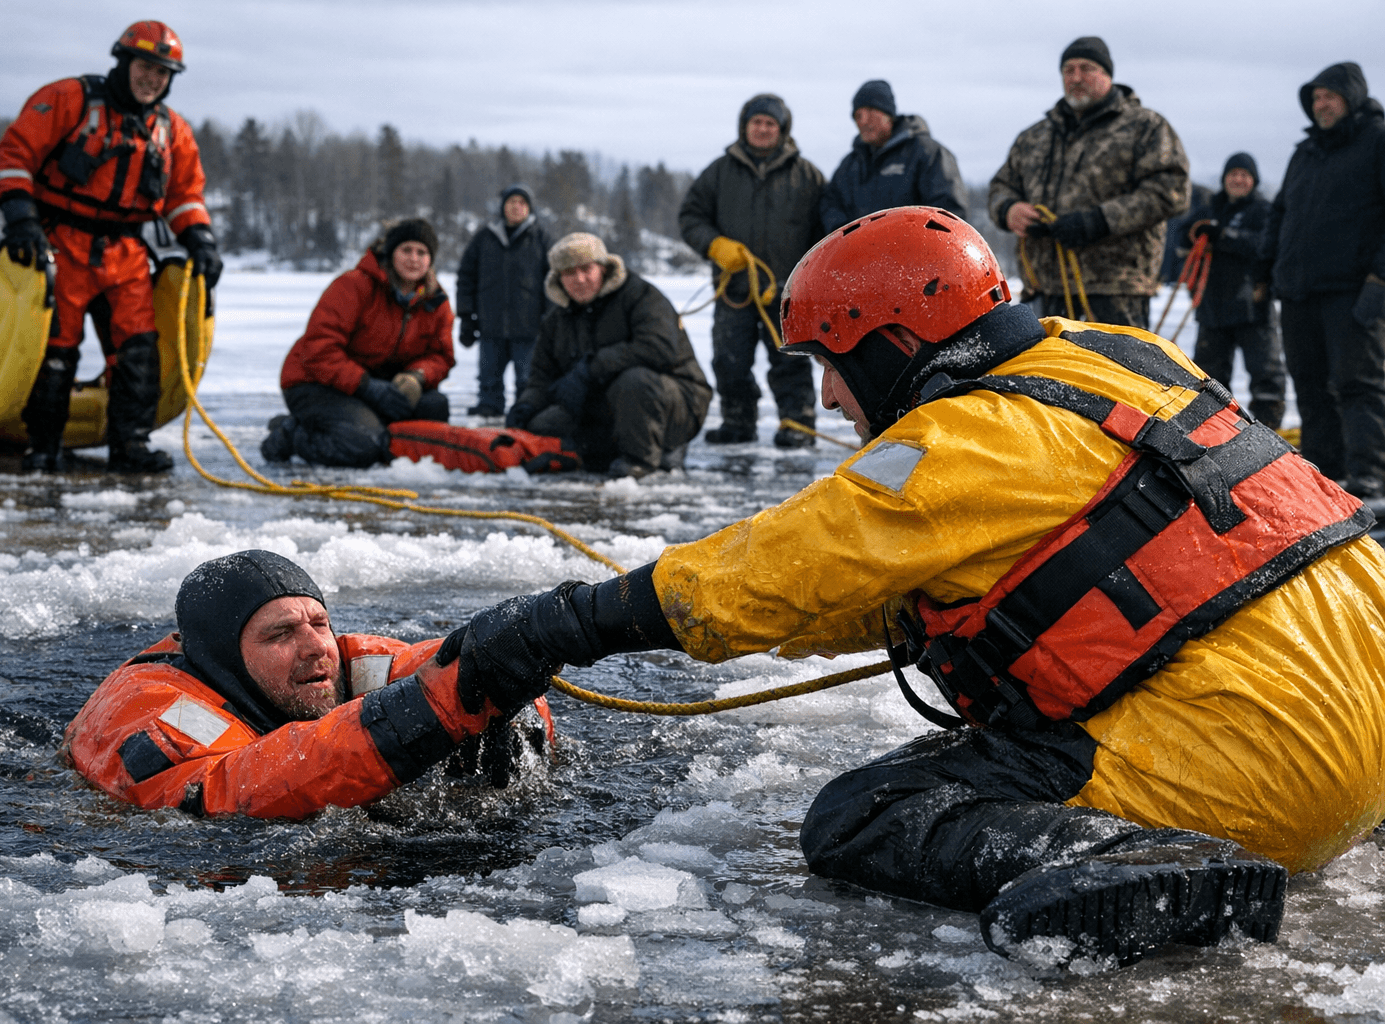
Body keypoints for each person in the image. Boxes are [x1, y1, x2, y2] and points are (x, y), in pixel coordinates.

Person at [442, 207, 1385, 965]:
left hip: (1260, 766)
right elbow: (891, 583)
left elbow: (772, 572)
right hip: (1365, 705)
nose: (827, 402)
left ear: (887, 344)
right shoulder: (1112, 354)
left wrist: (560, 625)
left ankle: (1155, 863)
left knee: (862, 817)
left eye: (829, 365)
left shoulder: (958, 440)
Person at [61, 550, 553, 816]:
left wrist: (501, 685)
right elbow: (237, 790)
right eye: (279, 634)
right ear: (225, 661)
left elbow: (427, 663)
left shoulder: (345, 655)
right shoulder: (160, 715)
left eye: (318, 624)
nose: (317, 647)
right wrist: (434, 713)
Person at [0, 20, 222, 473]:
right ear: (123, 61)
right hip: (62, 244)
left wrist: (202, 242)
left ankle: (130, 445)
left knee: (138, 351)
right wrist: (22, 222)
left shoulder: (172, 131)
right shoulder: (68, 99)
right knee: (55, 349)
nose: (152, 79)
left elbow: (184, 196)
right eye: (145, 66)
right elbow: (14, 158)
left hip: (127, 254)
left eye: (163, 72)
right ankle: (44, 445)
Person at [989, 36, 1190, 329]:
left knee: (1116, 374)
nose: (1076, 77)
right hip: (1044, 288)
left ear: (1107, 74)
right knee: (1041, 374)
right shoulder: (1036, 136)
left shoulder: (1145, 127)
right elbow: (1000, 186)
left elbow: (1171, 190)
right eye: (1068, 70)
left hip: (1115, 290)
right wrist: (1009, 210)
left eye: (1086, 68)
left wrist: (1099, 221)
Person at [1260, 63, 1385, 497]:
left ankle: (1370, 477)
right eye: (1314, 98)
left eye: (1329, 96)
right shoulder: (1305, 151)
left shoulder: (1377, 141)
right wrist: (1265, 269)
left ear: (1351, 97)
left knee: (1358, 386)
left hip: (1353, 290)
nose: (1320, 105)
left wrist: (1379, 282)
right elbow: (1280, 215)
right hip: (1298, 292)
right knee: (1309, 388)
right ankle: (1321, 476)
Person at [678, 94, 823, 447]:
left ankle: (798, 424)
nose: (762, 129)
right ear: (744, 127)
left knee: (790, 361)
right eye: (756, 122)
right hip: (735, 293)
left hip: (789, 292)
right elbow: (691, 217)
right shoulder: (719, 172)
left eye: (769, 123)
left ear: (782, 130)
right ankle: (737, 422)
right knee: (729, 361)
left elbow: (827, 231)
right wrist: (714, 245)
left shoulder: (807, 176)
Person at [506, 233, 711, 478]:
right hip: (604, 403)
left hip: (678, 399)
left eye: (586, 269)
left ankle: (645, 459)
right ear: (559, 279)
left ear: (603, 268)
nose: (579, 279)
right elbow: (541, 378)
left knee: (634, 381)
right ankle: (603, 452)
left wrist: (592, 368)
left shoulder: (642, 296)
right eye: (569, 273)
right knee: (540, 424)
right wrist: (526, 406)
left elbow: (659, 350)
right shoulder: (555, 321)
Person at [261, 219, 454, 468]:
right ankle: (290, 434)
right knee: (363, 447)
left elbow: (441, 356)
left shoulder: (435, 301)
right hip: (315, 382)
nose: (414, 259)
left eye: (422, 252)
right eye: (406, 250)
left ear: (431, 260)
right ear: (391, 252)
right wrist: (367, 386)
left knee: (434, 409)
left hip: (377, 384)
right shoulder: (354, 285)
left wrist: (416, 376)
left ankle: (361, 425)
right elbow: (319, 351)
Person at [1188, 153, 1285, 430]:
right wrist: (1197, 234)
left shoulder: (1263, 210)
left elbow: (1263, 244)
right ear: (1224, 179)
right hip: (1213, 307)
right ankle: (1214, 432)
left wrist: (1225, 236)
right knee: (1208, 379)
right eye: (1233, 174)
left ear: (1253, 180)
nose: (1238, 179)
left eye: (1244, 175)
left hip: (1252, 305)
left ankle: (1269, 432)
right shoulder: (1210, 207)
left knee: (1266, 376)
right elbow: (1186, 231)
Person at [818, 79, 968, 233]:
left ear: (888, 114)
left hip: (915, 253)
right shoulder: (849, 166)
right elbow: (829, 204)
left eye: (870, 112)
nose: (863, 121)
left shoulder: (928, 154)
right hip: (862, 255)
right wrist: (848, 236)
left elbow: (949, 215)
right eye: (858, 115)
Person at [455, 185, 553, 418]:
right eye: (512, 202)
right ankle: (489, 406)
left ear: (529, 208)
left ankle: (525, 409)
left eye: (522, 203)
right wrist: (467, 316)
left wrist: (550, 318)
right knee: (489, 375)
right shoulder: (484, 237)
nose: (516, 207)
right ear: (503, 207)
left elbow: (554, 281)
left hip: (529, 326)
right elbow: (466, 277)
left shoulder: (541, 238)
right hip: (491, 324)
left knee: (527, 377)